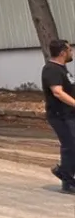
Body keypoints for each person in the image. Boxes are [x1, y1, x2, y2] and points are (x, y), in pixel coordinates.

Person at [41, 39, 75, 194]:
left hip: (69, 114)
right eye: (70, 50)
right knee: (70, 146)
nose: (71, 52)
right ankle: (66, 179)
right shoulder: (51, 69)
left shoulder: (62, 69)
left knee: (72, 145)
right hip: (60, 115)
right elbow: (58, 92)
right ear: (63, 52)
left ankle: (64, 173)